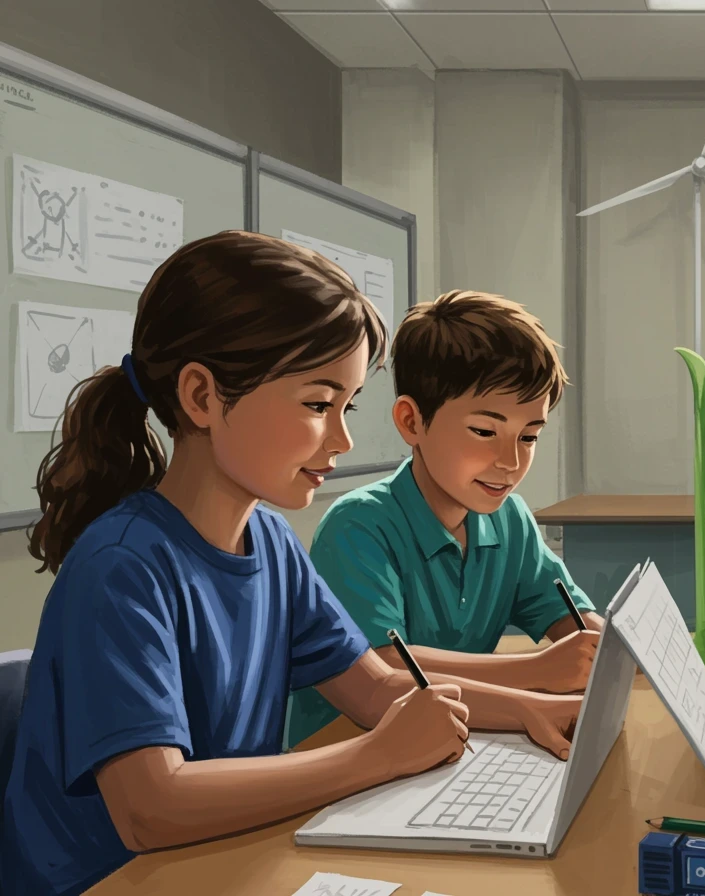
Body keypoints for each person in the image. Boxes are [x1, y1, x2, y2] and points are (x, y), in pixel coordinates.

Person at [2, 234, 581, 896]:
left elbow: (376, 688)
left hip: (222, 861)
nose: (342, 439)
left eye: (347, 406)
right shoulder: (121, 567)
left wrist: (526, 709)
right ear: (202, 397)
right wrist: (376, 756)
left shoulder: (271, 545)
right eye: (316, 404)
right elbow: (150, 807)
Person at [292, 290, 601, 748]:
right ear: (412, 421)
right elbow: (385, 670)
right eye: (484, 431)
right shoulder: (357, 526)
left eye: (529, 436)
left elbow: (571, 622)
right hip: (345, 752)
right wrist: (538, 670)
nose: (510, 461)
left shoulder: (508, 518)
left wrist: (607, 645)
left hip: (456, 739)